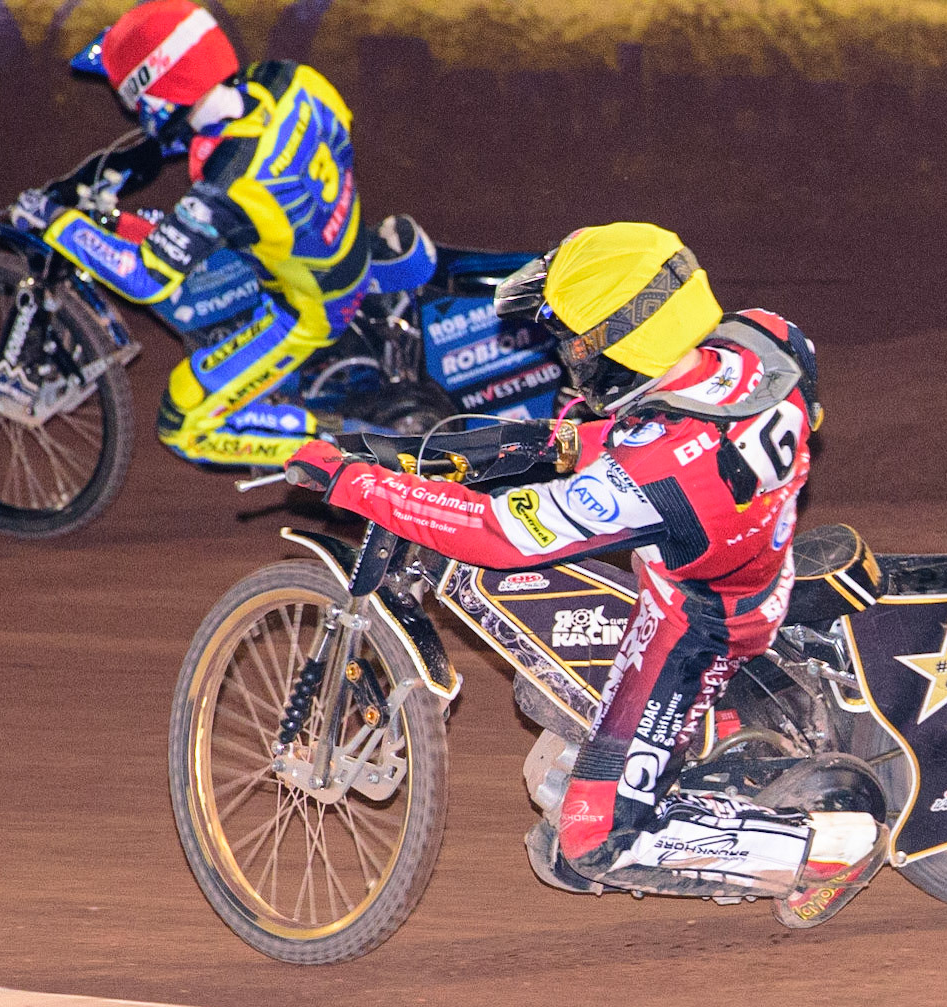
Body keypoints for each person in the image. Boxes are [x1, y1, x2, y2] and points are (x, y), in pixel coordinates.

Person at [285, 222, 886, 928]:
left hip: (699, 619)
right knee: (551, 681)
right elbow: (705, 423)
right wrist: (549, 442)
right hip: (745, 548)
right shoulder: (764, 338)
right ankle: (696, 747)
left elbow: (498, 533)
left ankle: (826, 851)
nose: (567, 355)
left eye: (576, 341)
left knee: (590, 840)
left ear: (625, 338)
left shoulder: (658, 471)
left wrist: (354, 483)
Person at [11, 0, 435, 465]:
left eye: (130, 97)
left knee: (181, 424)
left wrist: (55, 221)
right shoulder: (289, 79)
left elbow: (146, 278)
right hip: (336, 236)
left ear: (154, 96)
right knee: (185, 236)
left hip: (309, 307)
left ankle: (372, 456)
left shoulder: (230, 184)